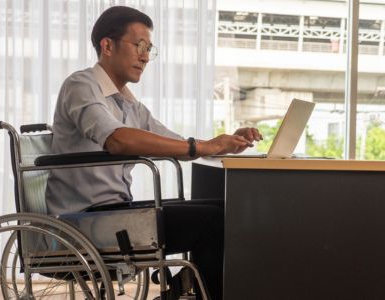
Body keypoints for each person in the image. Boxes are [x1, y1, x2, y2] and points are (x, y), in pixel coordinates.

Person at [44, 6, 262, 300]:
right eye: (139, 46)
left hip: (113, 213)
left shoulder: (129, 104)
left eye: (149, 49)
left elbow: (174, 143)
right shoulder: (81, 85)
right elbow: (117, 140)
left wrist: (222, 142)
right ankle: (193, 291)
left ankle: (187, 288)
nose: (146, 57)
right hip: (85, 220)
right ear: (107, 45)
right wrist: (200, 147)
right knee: (215, 222)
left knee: (227, 208)